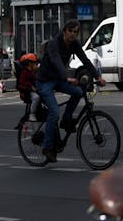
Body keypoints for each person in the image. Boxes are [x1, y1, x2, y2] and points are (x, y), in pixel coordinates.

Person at [36, 20, 100, 163]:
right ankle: (47, 147)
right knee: (53, 111)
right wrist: (67, 77)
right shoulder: (54, 44)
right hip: (44, 81)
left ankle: (66, 120)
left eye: (76, 32)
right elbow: (56, 60)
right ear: (64, 31)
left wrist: (98, 76)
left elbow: (85, 60)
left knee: (78, 92)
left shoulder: (74, 44)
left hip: (58, 79)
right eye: (71, 31)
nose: (73, 34)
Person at [13, 53, 40, 126]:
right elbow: (24, 83)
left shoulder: (31, 71)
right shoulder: (25, 72)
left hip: (31, 90)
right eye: (34, 63)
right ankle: (32, 114)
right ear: (29, 64)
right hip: (27, 92)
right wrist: (31, 87)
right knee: (36, 98)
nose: (36, 64)